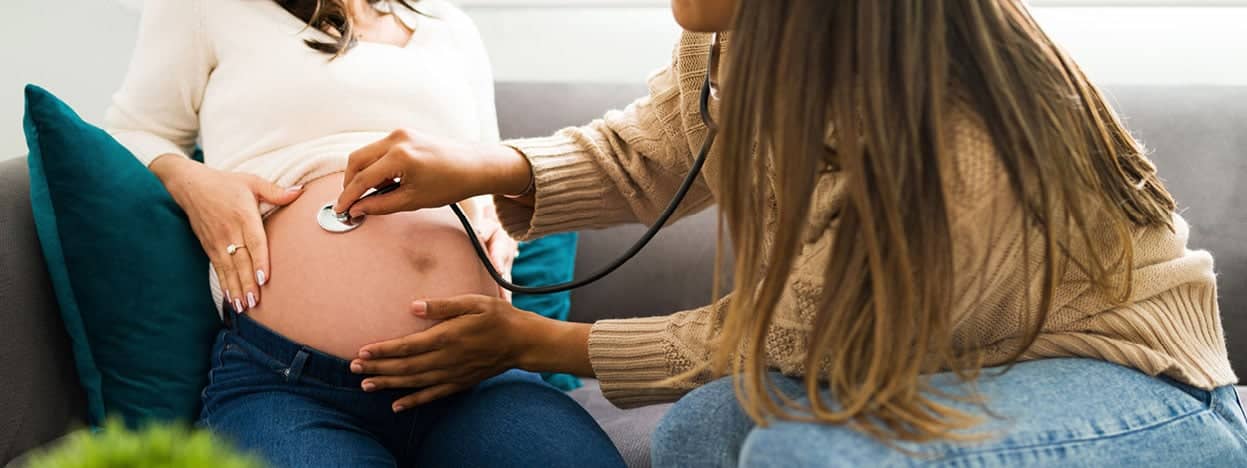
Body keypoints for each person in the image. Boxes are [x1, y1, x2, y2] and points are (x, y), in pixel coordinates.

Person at [334, 0, 1247, 466]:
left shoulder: (948, 112)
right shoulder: (750, 35)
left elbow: (799, 334)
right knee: (698, 435)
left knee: (795, 455)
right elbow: (662, 149)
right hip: (962, 364)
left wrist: (542, 343)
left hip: (1134, 393)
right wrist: (488, 168)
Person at [103, 0, 624, 466]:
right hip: (291, 383)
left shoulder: (450, 25)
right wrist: (192, 180)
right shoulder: (205, 9)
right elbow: (127, 132)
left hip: (474, 374)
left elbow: (484, 171)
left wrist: (496, 223)